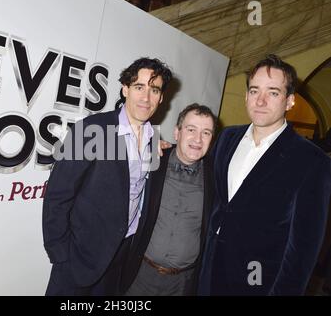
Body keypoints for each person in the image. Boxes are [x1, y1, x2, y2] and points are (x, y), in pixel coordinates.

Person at [198, 54, 331, 295]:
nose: (260, 100)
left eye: (272, 92)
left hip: (257, 283)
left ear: (289, 101)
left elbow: (303, 251)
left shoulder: (312, 162)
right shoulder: (227, 137)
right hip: (209, 269)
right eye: (254, 90)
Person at [42, 57, 173, 295]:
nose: (146, 97)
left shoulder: (154, 140)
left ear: (161, 97)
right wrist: (61, 254)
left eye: (154, 90)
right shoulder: (93, 129)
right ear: (125, 89)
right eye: (139, 87)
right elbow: (58, 194)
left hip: (121, 256)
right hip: (79, 257)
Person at [124, 103, 216, 296]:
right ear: (177, 132)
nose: (198, 139)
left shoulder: (216, 177)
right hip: (139, 274)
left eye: (206, 133)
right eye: (191, 129)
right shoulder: (152, 158)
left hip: (182, 284)